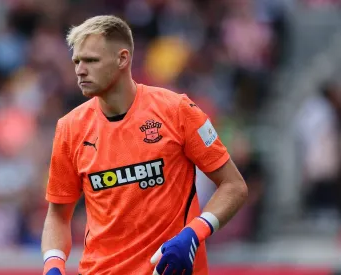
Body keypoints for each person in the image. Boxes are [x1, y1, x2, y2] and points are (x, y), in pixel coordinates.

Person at [41, 15, 248, 275]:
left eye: (91, 60)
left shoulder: (177, 111)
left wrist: (194, 234)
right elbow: (58, 215)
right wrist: (53, 264)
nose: (80, 70)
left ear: (122, 59)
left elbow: (234, 185)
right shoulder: (69, 127)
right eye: (77, 61)